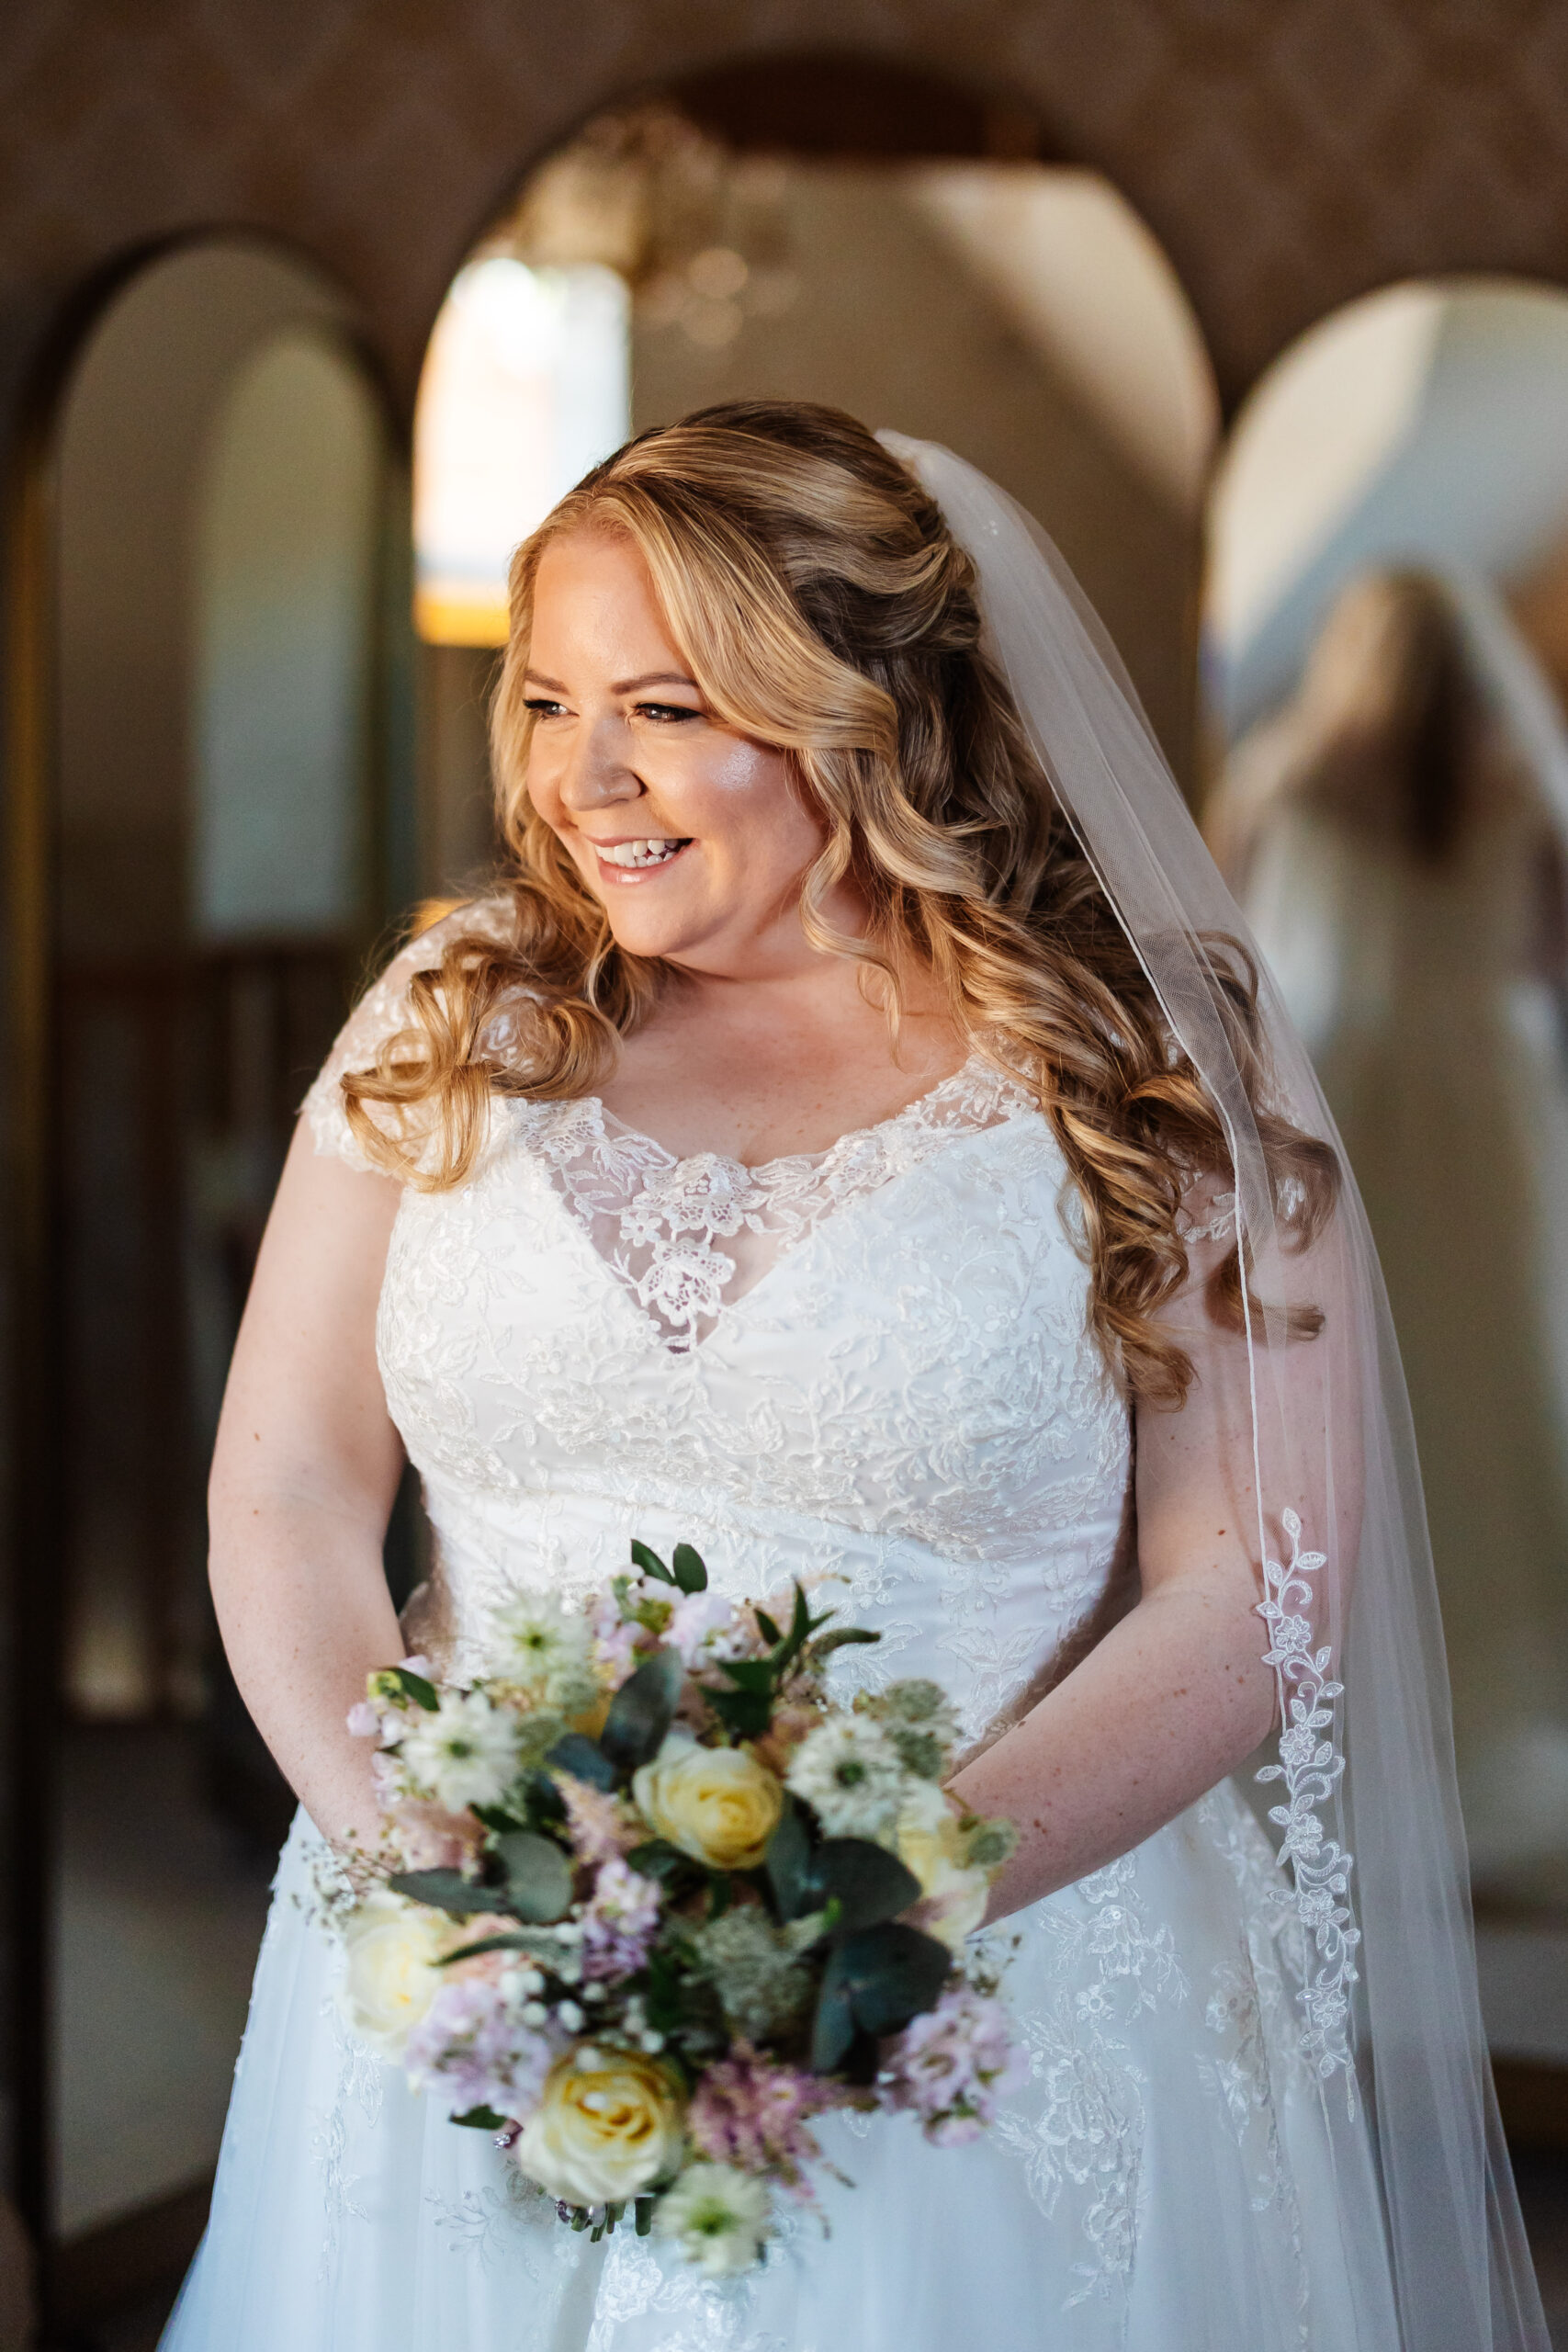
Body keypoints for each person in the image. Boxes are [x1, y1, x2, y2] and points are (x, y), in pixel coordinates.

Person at [161, 405, 1546, 2349]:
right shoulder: (453, 1016)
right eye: (547, 700)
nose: (582, 777)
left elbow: (1250, 1585)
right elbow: (289, 1479)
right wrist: (423, 1856)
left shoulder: (1135, 1071)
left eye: (662, 703)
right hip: (459, 1978)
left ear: (866, 707)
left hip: (989, 1998)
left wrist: (885, 1909)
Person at [1211, 569, 1568, 1907]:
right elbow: (1552, 953)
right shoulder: (1518, 789)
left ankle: (1348, 1730)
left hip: (1350, 1098)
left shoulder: (1291, 775)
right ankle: (1493, 1731)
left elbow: (1221, 945)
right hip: (1488, 1100)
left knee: (1356, 1399)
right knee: (1495, 1387)